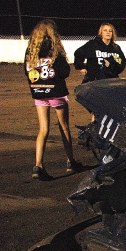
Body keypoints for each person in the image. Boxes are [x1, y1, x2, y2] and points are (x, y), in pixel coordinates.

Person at [24, 19, 81, 180]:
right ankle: (70, 161)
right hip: (57, 93)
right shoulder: (55, 49)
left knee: (43, 129)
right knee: (64, 127)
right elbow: (64, 72)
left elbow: (27, 72)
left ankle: (38, 166)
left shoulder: (31, 51)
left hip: (39, 93)